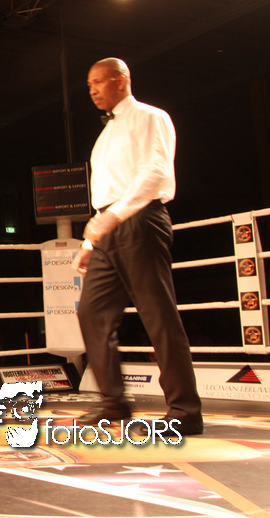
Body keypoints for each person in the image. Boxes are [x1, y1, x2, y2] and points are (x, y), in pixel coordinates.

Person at [73, 58, 203, 436]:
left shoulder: (150, 116)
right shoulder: (105, 134)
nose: (93, 90)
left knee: (158, 315)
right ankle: (114, 403)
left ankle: (185, 411)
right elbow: (106, 192)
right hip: (107, 229)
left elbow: (155, 172)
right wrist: (90, 240)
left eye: (98, 82)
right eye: (89, 85)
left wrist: (115, 217)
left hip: (140, 220)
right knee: (92, 314)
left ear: (120, 80)